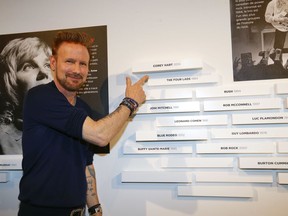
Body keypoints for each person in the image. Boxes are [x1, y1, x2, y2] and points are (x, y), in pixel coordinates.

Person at [18, 31, 148, 216]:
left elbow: (86, 165)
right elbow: (100, 135)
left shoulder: (83, 108)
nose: (77, 70)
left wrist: (95, 208)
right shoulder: (40, 97)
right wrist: (130, 102)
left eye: (83, 64)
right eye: (69, 61)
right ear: (53, 63)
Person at [0, 37, 53, 154]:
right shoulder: (3, 141)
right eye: (28, 67)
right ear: (10, 81)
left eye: (47, 65)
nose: (44, 73)